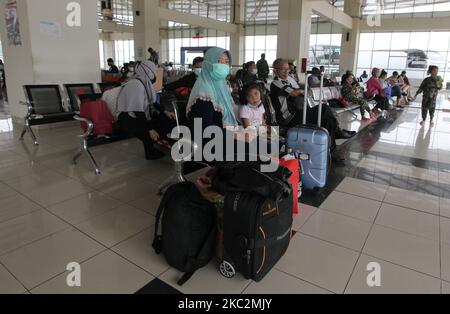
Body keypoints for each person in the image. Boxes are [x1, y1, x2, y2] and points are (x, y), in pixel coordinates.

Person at [270, 58, 356, 160]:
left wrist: (308, 90)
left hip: (297, 111)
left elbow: (299, 88)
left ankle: (332, 143)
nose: (286, 72)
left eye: (287, 69)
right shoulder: (275, 83)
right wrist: (305, 91)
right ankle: (334, 142)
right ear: (275, 70)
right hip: (289, 117)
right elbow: (294, 92)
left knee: (325, 113)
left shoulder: (288, 79)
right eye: (282, 69)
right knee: (323, 111)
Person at [117, 60, 177, 160]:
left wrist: (165, 111)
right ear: (147, 71)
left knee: (164, 121)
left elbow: (152, 101)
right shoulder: (136, 84)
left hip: (138, 116)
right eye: (153, 70)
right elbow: (137, 110)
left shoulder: (145, 82)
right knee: (151, 137)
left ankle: (159, 147)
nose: (155, 73)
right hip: (128, 118)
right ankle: (153, 150)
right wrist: (149, 129)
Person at [187, 47, 238, 131]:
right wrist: (236, 136)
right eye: (218, 61)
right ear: (208, 64)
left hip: (227, 133)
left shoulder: (223, 87)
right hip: (213, 140)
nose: (223, 65)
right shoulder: (203, 93)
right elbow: (206, 130)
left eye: (226, 62)